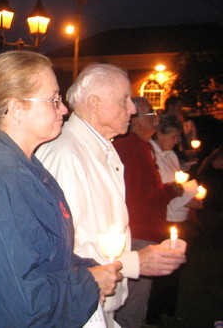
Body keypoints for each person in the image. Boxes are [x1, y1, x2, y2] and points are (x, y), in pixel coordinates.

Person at [0, 51, 122, 327]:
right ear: (16, 108)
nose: (63, 109)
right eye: (53, 100)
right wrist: (88, 282)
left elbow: (43, 253)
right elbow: (18, 307)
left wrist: (86, 268)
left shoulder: (23, 166)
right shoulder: (0, 185)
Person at [37, 63, 187, 328]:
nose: (132, 108)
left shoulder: (102, 150)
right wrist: (136, 261)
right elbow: (59, 249)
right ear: (94, 103)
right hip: (79, 307)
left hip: (97, 303)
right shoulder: (67, 156)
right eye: (124, 100)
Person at [112, 97, 183, 327]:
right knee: (133, 300)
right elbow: (140, 196)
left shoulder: (142, 146)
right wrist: (171, 191)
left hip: (145, 230)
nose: (156, 119)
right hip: (138, 231)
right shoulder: (131, 148)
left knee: (137, 297)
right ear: (134, 121)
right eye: (150, 115)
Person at [146, 114, 200, 324]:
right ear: (159, 133)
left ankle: (168, 308)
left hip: (179, 215)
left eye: (179, 137)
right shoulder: (151, 153)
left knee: (175, 266)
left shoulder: (171, 155)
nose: (177, 142)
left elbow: (176, 183)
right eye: (174, 136)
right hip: (165, 217)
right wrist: (186, 198)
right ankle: (153, 312)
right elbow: (162, 191)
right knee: (162, 266)